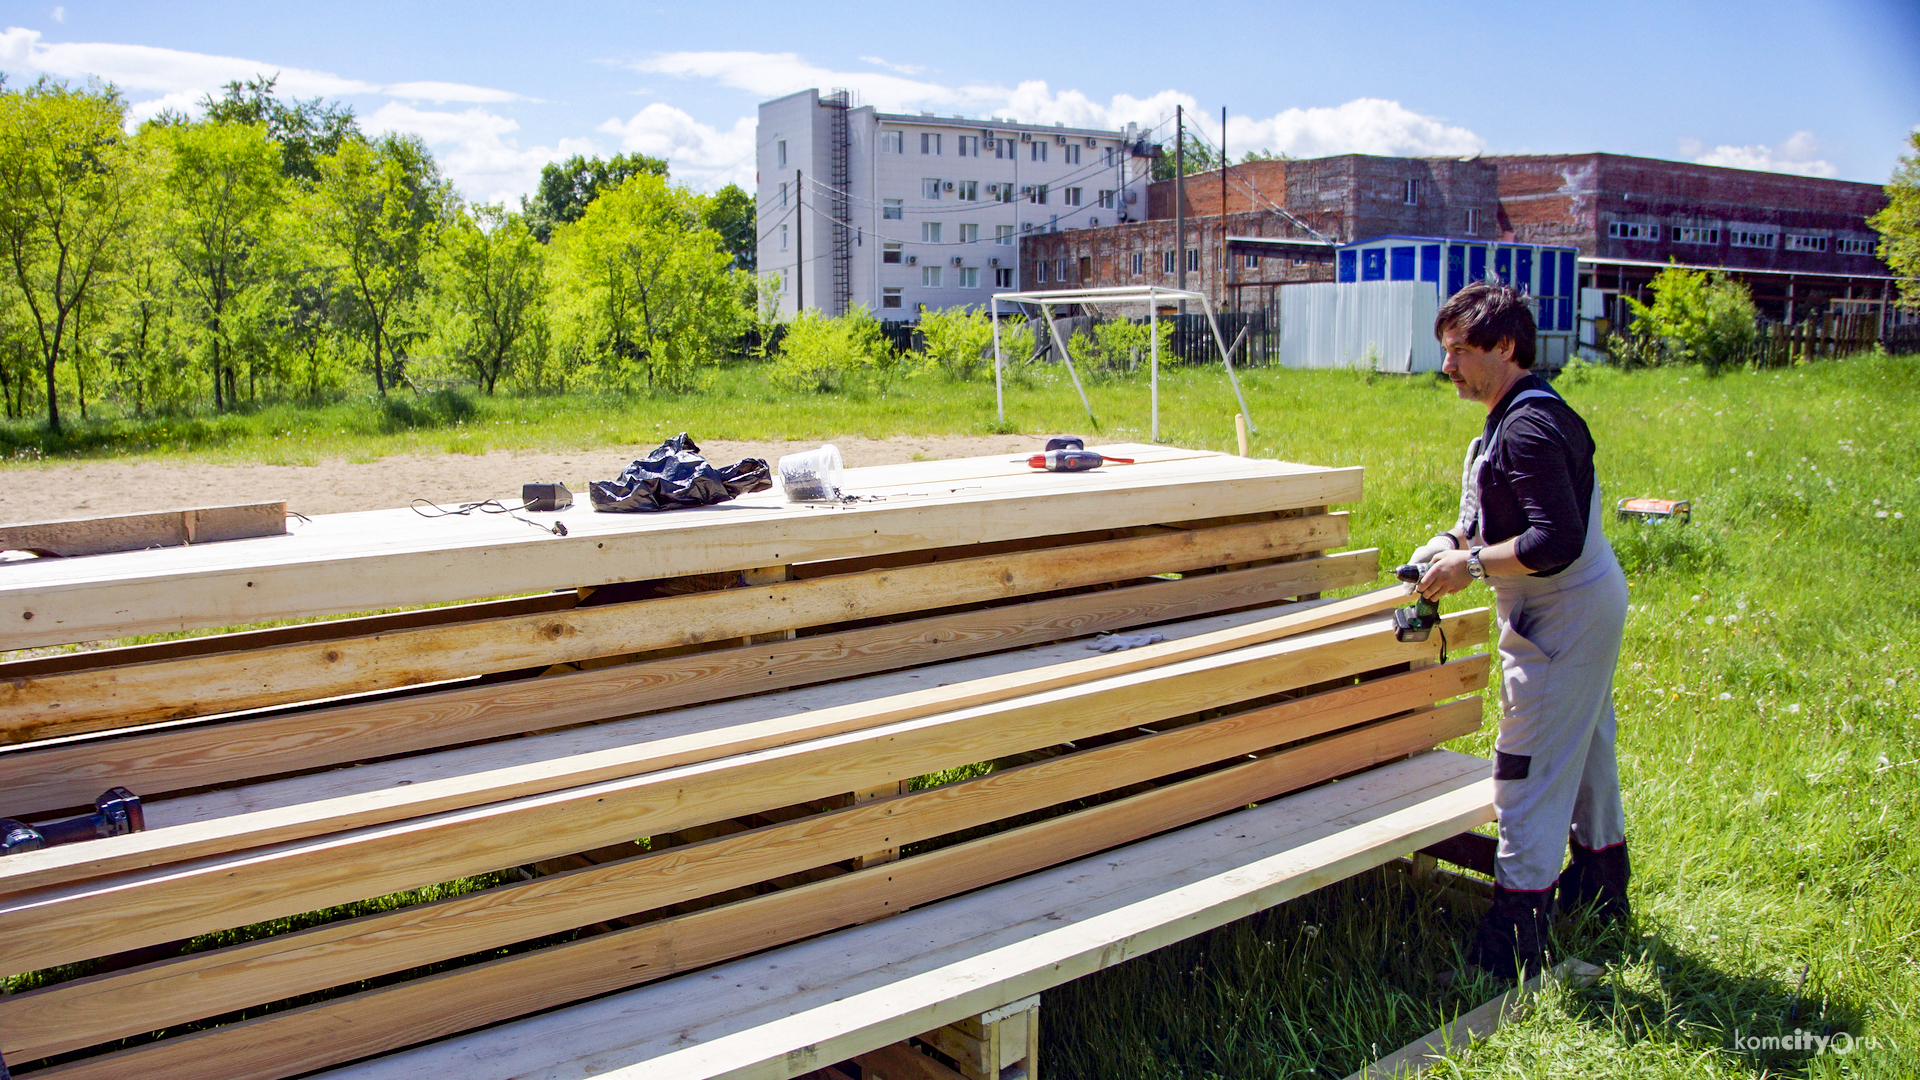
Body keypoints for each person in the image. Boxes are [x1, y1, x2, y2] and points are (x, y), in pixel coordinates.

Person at [1408, 281, 1631, 979]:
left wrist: (1469, 564)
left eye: (1458, 351)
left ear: (1505, 347)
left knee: (1527, 771)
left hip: (1561, 613)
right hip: (1574, 606)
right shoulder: (1509, 419)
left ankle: (1510, 952)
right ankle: (1599, 897)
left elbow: (1553, 539)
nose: (1446, 367)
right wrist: (1445, 544)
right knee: (1587, 752)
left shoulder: (1530, 426)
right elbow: (1490, 514)